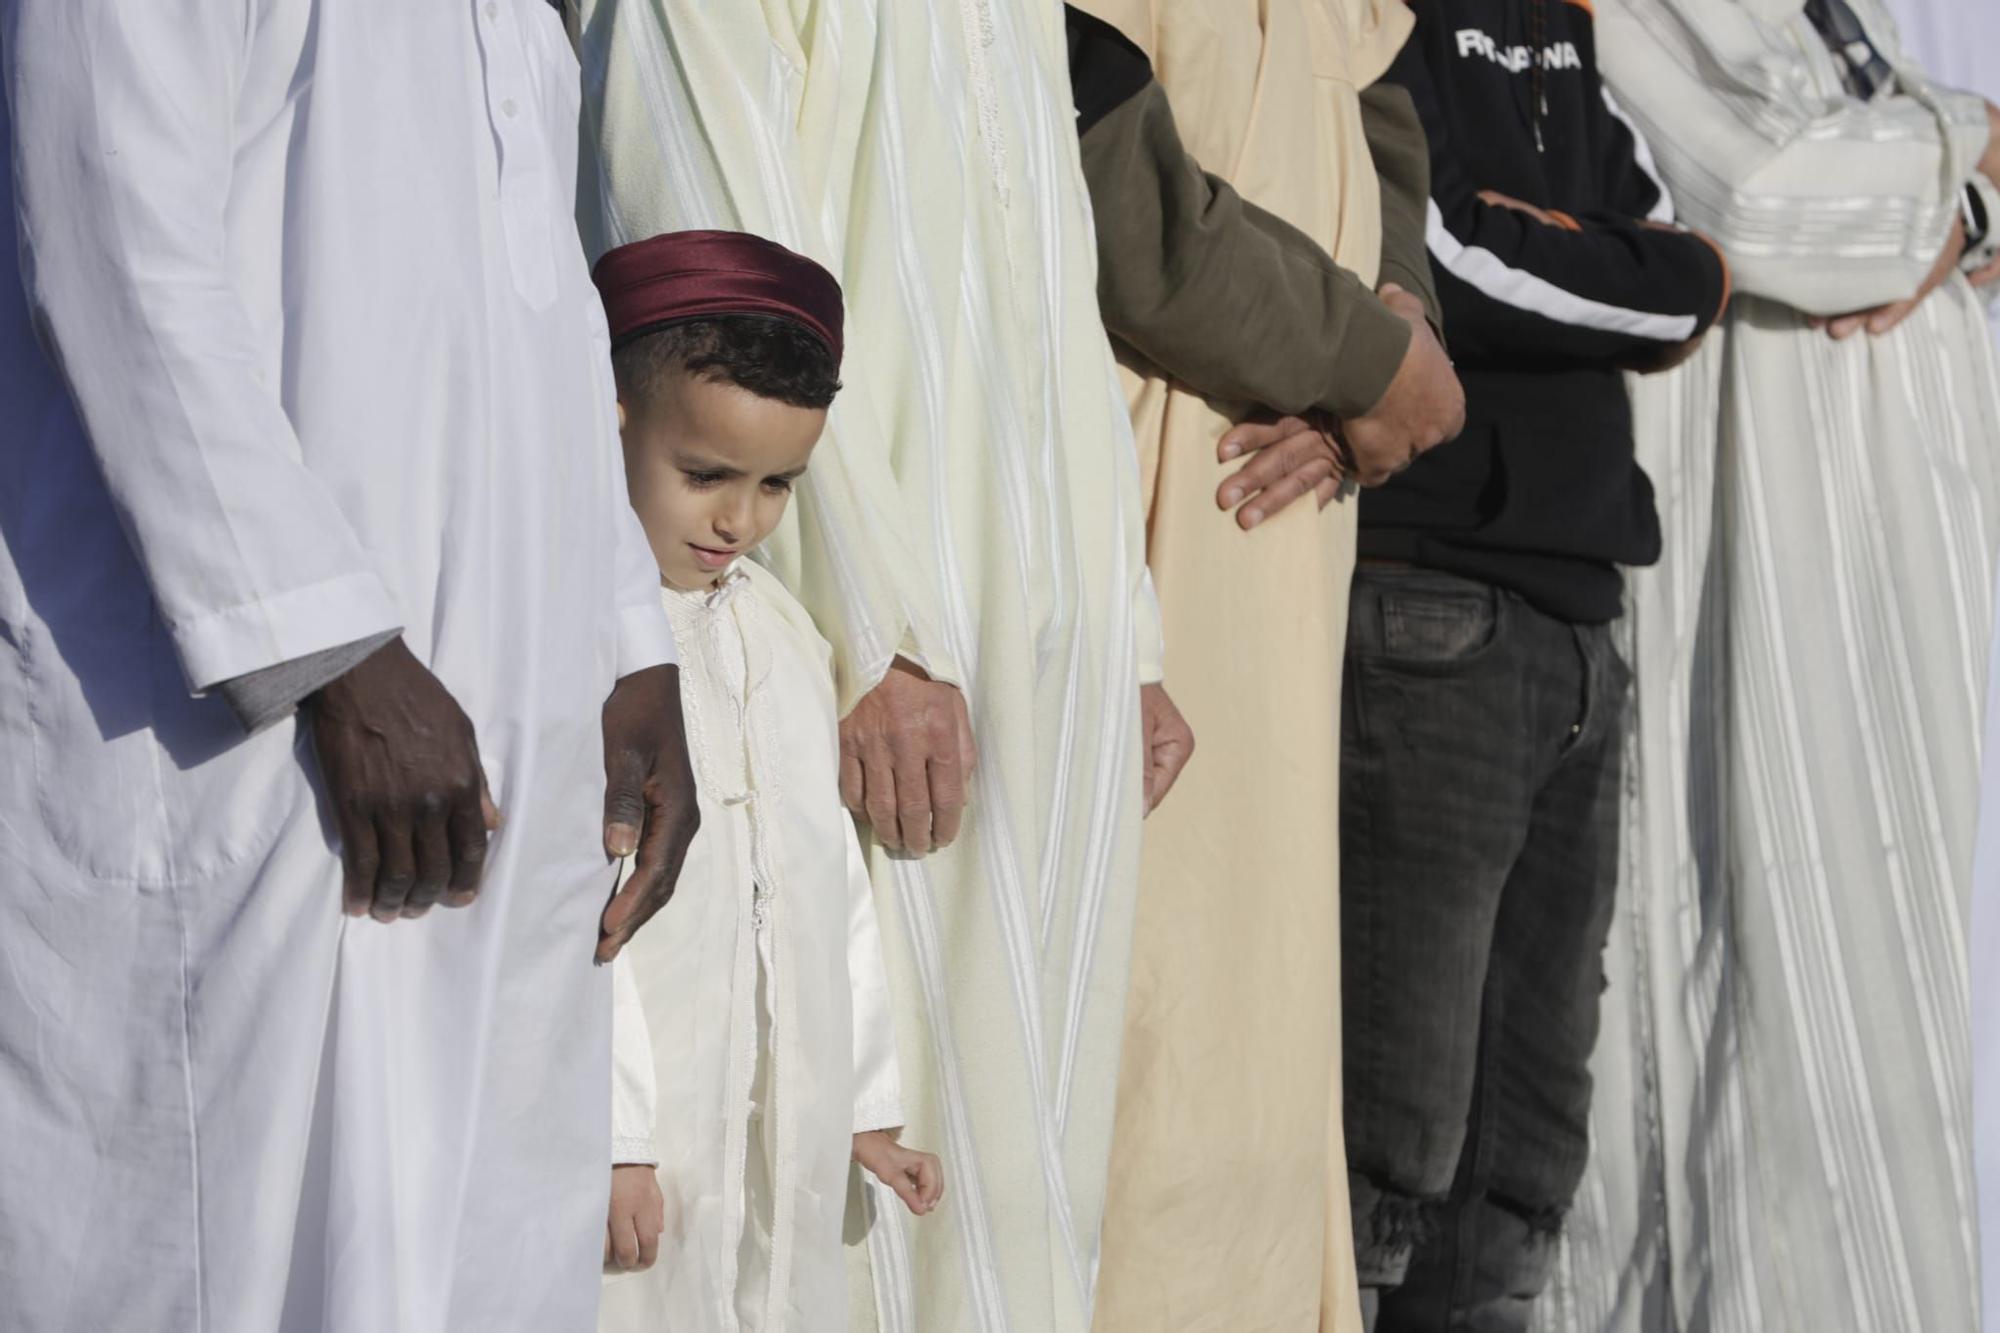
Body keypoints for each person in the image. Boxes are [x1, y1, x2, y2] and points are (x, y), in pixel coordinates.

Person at [0, 4, 699, 1330]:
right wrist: (327, 646)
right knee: (218, 1251)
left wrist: (629, 640)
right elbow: (111, 231)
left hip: (496, 731)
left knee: (475, 1243)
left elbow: (534, 312)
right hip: (249, 728)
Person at [571, 4, 1178, 1328]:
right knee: (808, 1205)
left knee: (1015, 1157)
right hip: (841, 653)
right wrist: (880, 632)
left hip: (1039, 642)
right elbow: (712, 270)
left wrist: (1122, 631)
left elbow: (1054, 287)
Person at [1543, 1, 2000, 1329]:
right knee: (1751, 1044)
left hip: (1876, 589)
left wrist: (1953, 195)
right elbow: (1766, 197)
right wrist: (1969, 154)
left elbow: (1905, 184)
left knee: (1875, 1056)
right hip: (1749, 551)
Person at [1059, 5, 1464, 1329]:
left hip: (1292, 540)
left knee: (1264, 1045)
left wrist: (1388, 336)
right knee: (1143, 1043)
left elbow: (1383, 106)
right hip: (1143, 535)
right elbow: (1118, 193)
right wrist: (1365, 363)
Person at [1343, 0, 1731, 1324]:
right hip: (1426, 605)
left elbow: (1692, 267)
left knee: (1521, 1159)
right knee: (1385, 1140)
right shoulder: (1390, 15)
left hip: (1579, 614)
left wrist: (1606, 261)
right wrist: (1614, 266)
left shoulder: (1559, 25)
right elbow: (1441, 250)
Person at [586, 230, 942, 1332]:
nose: (738, 520)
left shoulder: (784, 635)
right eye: (705, 476)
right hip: (640, 1143)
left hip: (771, 1123)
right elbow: (572, 919)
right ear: (612, 423)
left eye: (777, 484)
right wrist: (612, 1135)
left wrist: (858, 1104)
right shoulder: (578, 648)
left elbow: (827, 885)